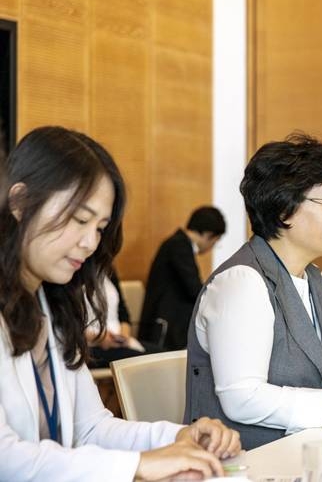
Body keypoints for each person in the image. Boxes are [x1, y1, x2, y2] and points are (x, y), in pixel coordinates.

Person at [0, 126, 240, 481]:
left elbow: (92, 429)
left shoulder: (54, 307)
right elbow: (5, 459)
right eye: (80, 220)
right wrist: (138, 466)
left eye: (100, 227)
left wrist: (176, 436)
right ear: (20, 202)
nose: (89, 243)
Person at [184, 133, 322, 450]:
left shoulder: (315, 280)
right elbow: (242, 398)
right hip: (241, 463)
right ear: (285, 211)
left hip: (304, 453)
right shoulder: (241, 281)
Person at [139, 206, 226, 350]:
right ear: (208, 234)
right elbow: (194, 290)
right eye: (215, 241)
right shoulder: (179, 245)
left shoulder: (179, 243)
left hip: (169, 322)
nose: (211, 247)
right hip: (163, 327)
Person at [85, 268, 148, 368]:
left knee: (165, 355)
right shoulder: (72, 273)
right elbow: (66, 325)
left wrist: (124, 335)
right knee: (147, 362)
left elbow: (123, 313)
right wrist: (100, 338)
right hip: (89, 345)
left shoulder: (109, 270)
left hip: (117, 340)